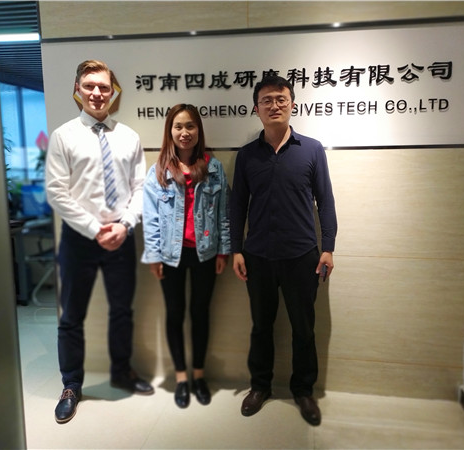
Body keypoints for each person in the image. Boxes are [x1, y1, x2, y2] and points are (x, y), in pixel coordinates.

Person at [46, 59, 153, 424]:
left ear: (113, 92)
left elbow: (141, 188)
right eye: (89, 86)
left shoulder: (129, 137)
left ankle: (121, 371)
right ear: (77, 90)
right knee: (71, 316)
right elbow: (56, 192)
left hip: (122, 236)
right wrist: (95, 229)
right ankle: (71, 385)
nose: (96, 93)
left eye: (104, 87)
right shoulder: (63, 136)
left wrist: (125, 225)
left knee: (122, 310)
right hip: (79, 239)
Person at [229, 75, 337, 426]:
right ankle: (260, 386)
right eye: (266, 100)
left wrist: (328, 247)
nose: (274, 105)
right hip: (257, 255)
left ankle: (303, 390)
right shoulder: (247, 155)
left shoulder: (312, 149)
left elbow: (326, 202)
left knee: (304, 328)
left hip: (302, 256)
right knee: (261, 326)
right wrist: (236, 249)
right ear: (256, 109)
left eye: (280, 99)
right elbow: (237, 205)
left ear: (292, 104)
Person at [141, 104, 230, 408]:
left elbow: (224, 214)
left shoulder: (214, 168)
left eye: (190, 126)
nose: (184, 132)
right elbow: (151, 219)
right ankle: (181, 378)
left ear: (198, 130)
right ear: (170, 131)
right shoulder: (158, 172)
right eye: (178, 126)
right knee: (175, 312)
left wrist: (223, 250)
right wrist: (154, 255)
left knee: (200, 313)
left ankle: (199, 376)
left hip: (206, 252)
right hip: (170, 256)